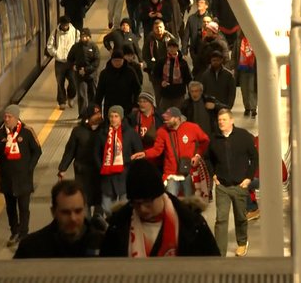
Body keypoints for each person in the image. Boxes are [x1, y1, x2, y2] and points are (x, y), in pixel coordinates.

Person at [100, 159, 220, 257]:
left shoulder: (191, 223)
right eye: (136, 204)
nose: (143, 209)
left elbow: (213, 265)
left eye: (148, 202)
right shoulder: (119, 225)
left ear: (161, 195)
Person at [0, 105, 43, 248]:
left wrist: (30, 167)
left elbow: (37, 151)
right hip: (7, 179)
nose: (6, 119)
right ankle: (14, 232)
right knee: (10, 208)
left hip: (24, 179)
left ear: (16, 118)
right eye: (5, 116)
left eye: (9, 117)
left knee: (23, 208)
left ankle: (24, 233)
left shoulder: (27, 132)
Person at [207, 109, 258, 256]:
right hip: (222, 186)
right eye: (219, 120)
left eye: (224, 119)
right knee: (221, 219)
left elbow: (254, 157)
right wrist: (213, 175)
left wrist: (248, 178)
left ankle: (242, 242)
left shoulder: (243, 136)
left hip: (239, 185)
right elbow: (208, 158)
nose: (221, 122)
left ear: (231, 121)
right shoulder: (214, 139)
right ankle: (219, 252)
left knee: (241, 217)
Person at [13, 180, 104, 258]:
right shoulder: (31, 248)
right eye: (65, 212)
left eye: (78, 211)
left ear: (85, 209)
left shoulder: (104, 244)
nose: (73, 218)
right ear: (53, 212)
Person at [132, 107, 210, 198]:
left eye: (168, 119)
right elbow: (157, 150)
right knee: (171, 201)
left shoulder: (192, 127)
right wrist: (145, 154)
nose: (165, 121)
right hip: (171, 174)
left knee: (189, 202)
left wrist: (197, 155)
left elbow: (205, 140)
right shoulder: (162, 131)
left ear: (177, 118)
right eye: (165, 119)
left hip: (188, 172)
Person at [95, 105, 143, 217]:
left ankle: (120, 223)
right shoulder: (102, 133)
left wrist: (131, 166)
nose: (113, 119)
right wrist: (101, 167)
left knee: (125, 206)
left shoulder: (130, 133)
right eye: (111, 116)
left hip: (125, 175)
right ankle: (113, 220)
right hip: (107, 176)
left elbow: (139, 152)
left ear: (121, 117)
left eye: (116, 116)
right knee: (106, 206)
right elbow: (96, 153)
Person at [58, 104, 104, 216]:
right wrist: (62, 168)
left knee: (100, 202)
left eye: (99, 113)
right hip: (82, 172)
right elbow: (70, 151)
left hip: (100, 172)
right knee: (84, 200)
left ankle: (98, 222)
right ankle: (86, 222)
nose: (99, 116)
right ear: (89, 116)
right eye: (96, 114)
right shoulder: (78, 131)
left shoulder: (105, 130)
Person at [95, 50, 141, 119]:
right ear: (111, 61)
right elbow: (100, 91)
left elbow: (137, 89)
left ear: (123, 60)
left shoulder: (130, 72)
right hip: (110, 105)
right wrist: (97, 105)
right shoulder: (105, 73)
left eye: (119, 61)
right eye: (115, 61)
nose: (117, 63)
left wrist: (135, 104)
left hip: (127, 105)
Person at [47, 16, 80, 110]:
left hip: (71, 62)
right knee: (60, 82)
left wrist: (76, 56)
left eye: (66, 25)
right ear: (60, 24)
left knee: (73, 81)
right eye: (63, 25)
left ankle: (71, 96)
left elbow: (78, 45)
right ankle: (62, 101)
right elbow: (49, 45)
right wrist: (56, 53)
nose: (65, 26)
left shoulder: (75, 32)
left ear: (69, 24)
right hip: (59, 62)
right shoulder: (55, 32)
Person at [125, 92, 164, 171]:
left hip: (156, 159)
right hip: (139, 157)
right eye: (140, 101)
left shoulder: (160, 117)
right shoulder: (133, 117)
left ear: (151, 103)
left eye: (144, 101)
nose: (142, 104)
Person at [142, 20, 177, 103]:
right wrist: (152, 66)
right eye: (156, 28)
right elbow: (145, 54)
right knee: (158, 93)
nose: (159, 29)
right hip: (155, 71)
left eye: (160, 27)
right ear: (153, 29)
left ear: (164, 27)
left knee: (170, 93)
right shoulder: (150, 39)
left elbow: (176, 52)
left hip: (168, 70)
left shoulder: (170, 38)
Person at [67, 28, 100, 115]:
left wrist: (86, 70)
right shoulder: (75, 47)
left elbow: (96, 61)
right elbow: (69, 58)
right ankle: (82, 114)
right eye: (82, 36)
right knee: (82, 95)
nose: (84, 38)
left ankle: (93, 113)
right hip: (80, 75)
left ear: (89, 37)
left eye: (86, 36)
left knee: (93, 94)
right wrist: (73, 66)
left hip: (92, 75)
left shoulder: (94, 47)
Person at [151, 39, 191, 110]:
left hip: (179, 94)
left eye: (174, 47)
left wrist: (190, 91)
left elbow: (188, 78)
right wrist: (161, 82)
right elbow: (155, 75)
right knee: (163, 113)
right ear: (167, 48)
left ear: (177, 48)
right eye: (170, 47)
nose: (172, 49)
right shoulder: (162, 61)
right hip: (166, 94)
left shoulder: (182, 62)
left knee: (178, 114)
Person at [182, 0, 213, 65]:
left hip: (207, 50)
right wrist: (184, 51)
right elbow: (186, 36)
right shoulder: (191, 18)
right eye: (198, 2)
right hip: (194, 50)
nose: (199, 4)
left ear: (206, 6)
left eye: (202, 2)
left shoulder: (210, 19)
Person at [237, 33, 258, 117]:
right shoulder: (239, 41)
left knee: (252, 89)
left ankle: (253, 108)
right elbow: (235, 54)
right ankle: (247, 107)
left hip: (253, 69)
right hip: (242, 68)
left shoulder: (256, 40)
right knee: (244, 90)